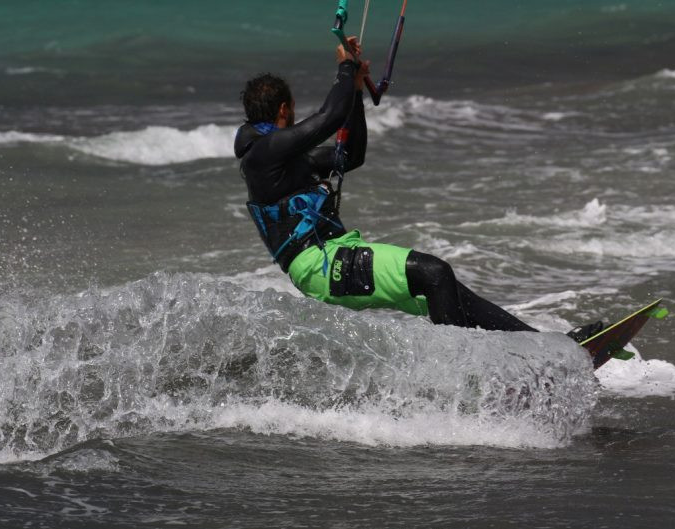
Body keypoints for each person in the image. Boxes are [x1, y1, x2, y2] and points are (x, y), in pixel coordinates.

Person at [235, 37, 599, 338]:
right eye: (294, 109)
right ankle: (467, 379)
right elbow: (327, 118)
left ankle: (546, 348)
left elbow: (351, 156)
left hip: (334, 255)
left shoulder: (285, 159)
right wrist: (346, 68)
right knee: (434, 272)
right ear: (284, 109)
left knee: (450, 291)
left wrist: (357, 90)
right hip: (319, 266)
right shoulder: (263, 154)